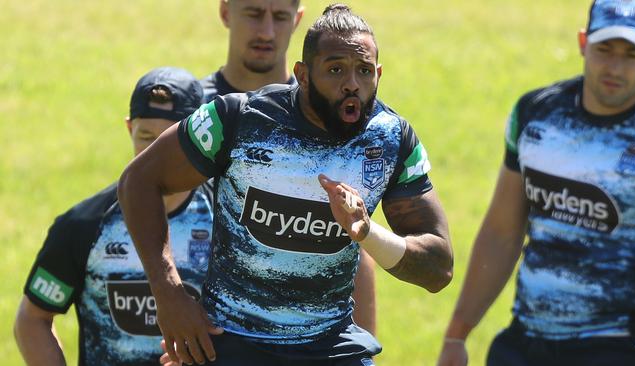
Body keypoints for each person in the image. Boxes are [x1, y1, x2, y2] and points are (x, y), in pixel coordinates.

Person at [118, 4, 454, 366]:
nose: (352, 84)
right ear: (303, 75)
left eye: (364, 71)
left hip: (330, 345)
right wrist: (169, 294)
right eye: (336, 69)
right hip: (233, 342)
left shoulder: (391, 139)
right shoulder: (237, 119)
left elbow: (438, 269)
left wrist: (367, 233)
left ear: (379, 74)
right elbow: (138, 181)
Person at [437, 1, 635, 365]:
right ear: (583, 43)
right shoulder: (536, 114)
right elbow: (502, 232)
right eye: (604, 50)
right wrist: (457, 335)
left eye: (631, 54)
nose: (615, 67)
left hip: (620, 346)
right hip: (526, 342)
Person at [203, 0, 378, 335]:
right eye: (254, 14)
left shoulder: (331, 114)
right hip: (210, 330)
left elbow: (351, 241)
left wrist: (365, 343)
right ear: (225, 11)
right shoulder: (196, 111)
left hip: (302, 338)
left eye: (280, 16)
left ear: (297, 19)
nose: (267, 31)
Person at [14, 67, 209, 365]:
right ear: (130, 129)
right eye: (146, 137)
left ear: (198, 140)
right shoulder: (85, 225)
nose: (156, 154)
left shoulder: (229, 220)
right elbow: (32, 319)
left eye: (169, 140)